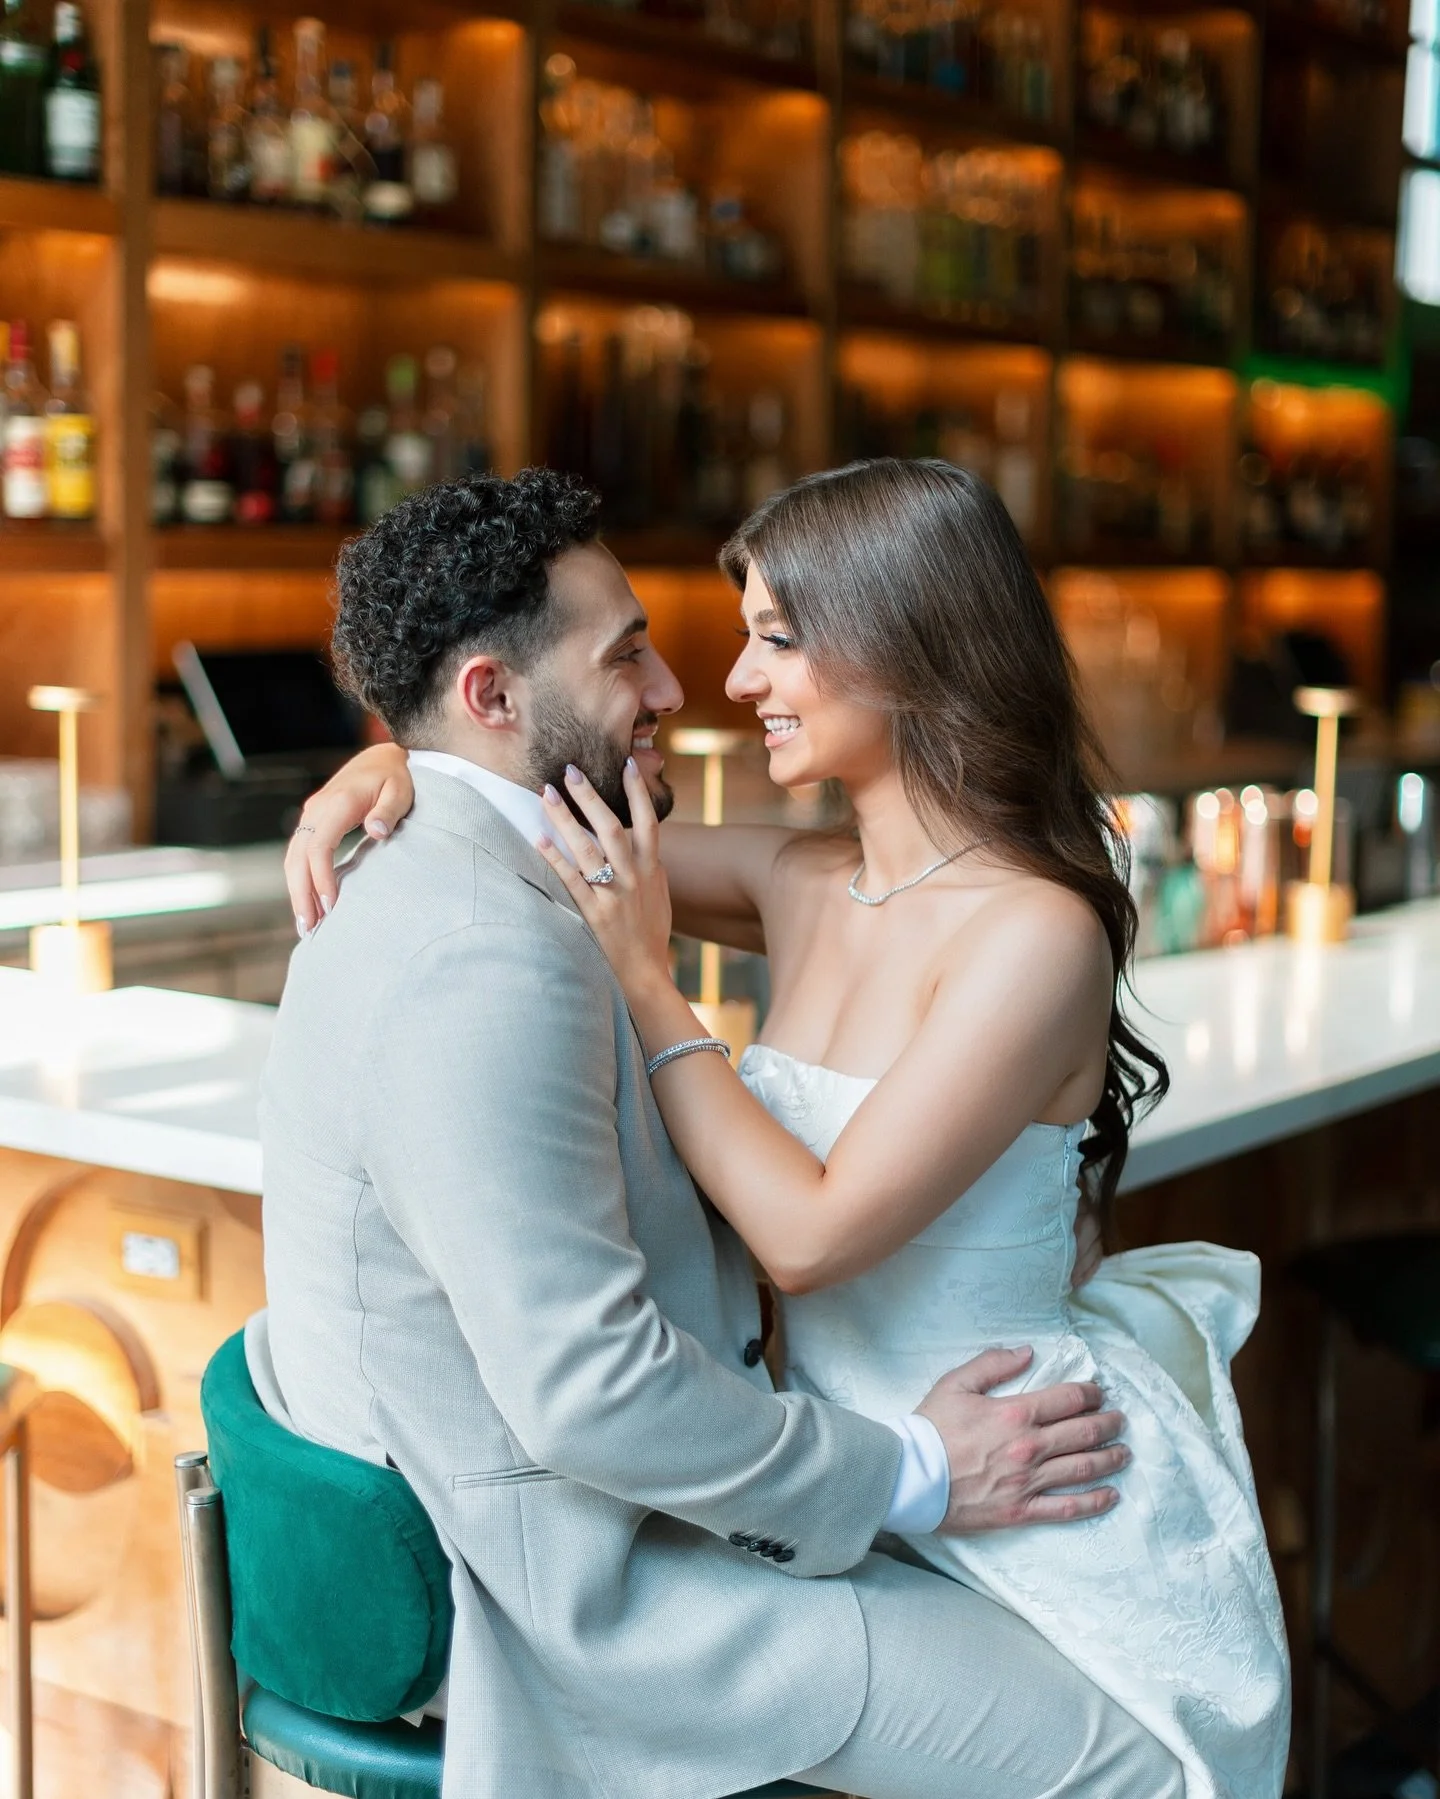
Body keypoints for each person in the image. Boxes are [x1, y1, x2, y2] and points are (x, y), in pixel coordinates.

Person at [289, 460, 1290, 1798]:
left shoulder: (1035, 931)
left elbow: (808, 1231)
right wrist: (400, 758)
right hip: (806, 1465)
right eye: (667, 649)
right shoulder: (796, 874)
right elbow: (526, 819)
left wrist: (648, 981)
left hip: (995, 1447)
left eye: (774, 639)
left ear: (903, 644)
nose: (725, 683)